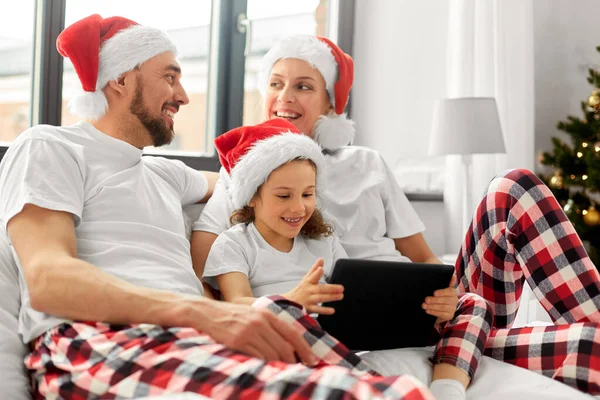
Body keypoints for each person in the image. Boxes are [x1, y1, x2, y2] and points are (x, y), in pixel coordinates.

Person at [0, 14, 446, 399]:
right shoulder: (52, 146)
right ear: (120, 79)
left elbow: (246, 180)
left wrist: (298, 180)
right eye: (169, 77)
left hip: (190, 339)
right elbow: (49, 279)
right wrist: (210, 312)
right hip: (101, 339)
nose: (184, 95)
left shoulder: (163, 173)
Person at [190, 34, 600, 394]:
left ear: (331, 101)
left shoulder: (367, 162)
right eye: (275, 85)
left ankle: (570, 322)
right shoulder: (245, 174)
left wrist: (447, 297)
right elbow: (213, 272)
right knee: (589, 348)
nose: (285, 96)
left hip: (421, 312)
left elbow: (423, 258)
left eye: (303, 86)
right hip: (334, 321)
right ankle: (477, 353)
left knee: (513, 186)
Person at [203, 117, 495, 400]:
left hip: (340, 336)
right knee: (280, 309)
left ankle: (447, 390)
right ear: (252, 196)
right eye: (283, 196)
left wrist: (434, 309)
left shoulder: (323, 240)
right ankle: (377, 389)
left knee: (471, 302)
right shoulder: (234, 243)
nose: (298, 207)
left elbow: (352, 295)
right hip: (284, 337)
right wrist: (294, 299)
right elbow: (235, 304)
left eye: (307, 194)